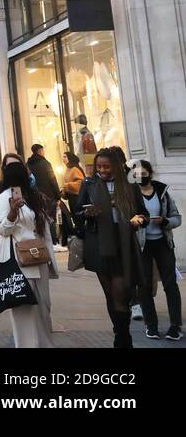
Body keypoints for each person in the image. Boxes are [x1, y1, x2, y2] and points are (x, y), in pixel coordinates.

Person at [77, 148, 150, 348]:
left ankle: (123, 337)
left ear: (116, 166)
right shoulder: (89, 184)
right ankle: (119, 332)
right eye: (99, 166)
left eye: (107, 166)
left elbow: (143, 214)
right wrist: (87, 214)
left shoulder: (129, 187)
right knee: (110, 294)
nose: (102, 170)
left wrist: (139, 220)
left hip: (123, 243)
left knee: (120, 292)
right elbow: (78, 212)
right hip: (99, 244)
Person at [0, 159, 58, 347]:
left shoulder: (33, 196)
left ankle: (45, 344)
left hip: (39, 256)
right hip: (19, 258)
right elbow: (3, 230)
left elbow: (45, 224)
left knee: (43, 305)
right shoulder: (3, 198)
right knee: (23, 305)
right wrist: (13, 212)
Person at [131, 160, 181, 341]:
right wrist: (134, 222)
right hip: (142, 245)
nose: (140, 177)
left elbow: (177, 217)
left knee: (170, 284)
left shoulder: (163, 192)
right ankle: (151, 326)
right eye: (136, 174)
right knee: (144, 285)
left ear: (150, 174)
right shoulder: (132, 194)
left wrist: (166, 222)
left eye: (144, 173)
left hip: (162, 243)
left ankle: (175, 326)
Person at [26, 144, 62, 247]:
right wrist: (58, 195)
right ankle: (54, 242)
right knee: (51, 219)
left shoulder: (28, 164)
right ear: (40, 151)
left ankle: (42, 241)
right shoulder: (45, 163)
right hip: (48, 195)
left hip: (35, 196)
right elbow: (52, 179)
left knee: (40, 218)